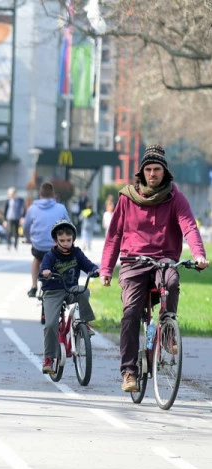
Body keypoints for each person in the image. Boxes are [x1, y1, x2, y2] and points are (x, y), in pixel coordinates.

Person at [100, 145, 208, 393]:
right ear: (141, 172)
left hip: (164, 259)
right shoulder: (127, 198)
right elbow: (114, 234)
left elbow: (189, 226)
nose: (152, 173)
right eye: (148, 169)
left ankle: (168, 332)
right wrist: (106, 269)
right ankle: (129, 372)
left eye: (156, 169)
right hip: (133, 262)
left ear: (164, 172)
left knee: (171, 281)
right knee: (130, 314)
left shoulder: (175, 197)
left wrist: (199, 254)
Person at [39, 220, 98, 374]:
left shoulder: (77, 253)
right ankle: (48, 358)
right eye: (62, 240)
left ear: (73, 239)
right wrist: (45, 272)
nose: (66, 243)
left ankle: (84, 322)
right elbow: (43, 269)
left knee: (83, 291)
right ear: (55, 240)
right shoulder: (51, 255)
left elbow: (88, 265)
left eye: (68, 240)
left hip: (70, 289)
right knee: (50, 324)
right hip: (53, 292)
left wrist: (95, 270)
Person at [23, 181, 69, 298]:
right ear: (53, 194)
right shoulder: (61, 208)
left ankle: (34, 287)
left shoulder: (32, 208)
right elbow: (69, 225)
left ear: (40, 194)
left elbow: (26, 227)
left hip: (38, 246)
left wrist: (28, 239)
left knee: (37, 259)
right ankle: (60, 286)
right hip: (55, 246)